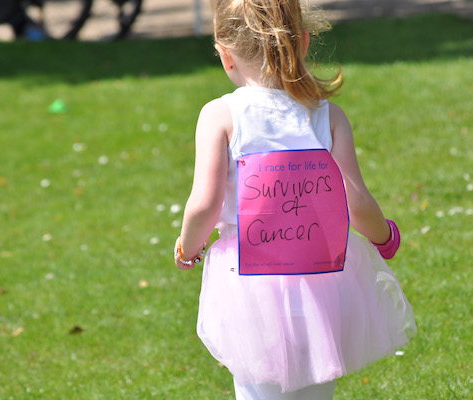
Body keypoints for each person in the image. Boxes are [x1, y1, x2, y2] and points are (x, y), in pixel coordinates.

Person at [174, 0, 416, 398]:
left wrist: (189, 246)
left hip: (249, 286)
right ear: (302, 43)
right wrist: (384, 237)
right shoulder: (327, 117)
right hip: (321, 284)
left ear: (225, 55)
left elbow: (204, 204)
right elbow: (356, 203)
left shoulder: (219, 116)